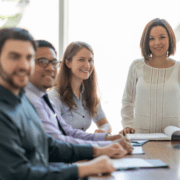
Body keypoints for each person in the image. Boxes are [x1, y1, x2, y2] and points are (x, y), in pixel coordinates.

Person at [0, 27, 128, 180]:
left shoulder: (22, 102)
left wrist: (98, 151)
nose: (24, 65)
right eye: (14, 57)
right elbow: (18, 175)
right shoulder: (5, 110)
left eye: (28, 58)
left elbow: (50, 146)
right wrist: (83, 169)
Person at [25, 40, 133, 153]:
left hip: (73, 153)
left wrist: (108, 138)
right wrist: (101, 148)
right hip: (67, 155)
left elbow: (69, 131)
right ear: (67, 63)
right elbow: (58, 140)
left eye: (53, 63)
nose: (50, 68)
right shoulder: (48, 98)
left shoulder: (45, 100)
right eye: (42, 61)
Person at [120, 18, 179, 135]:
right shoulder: (136, 66)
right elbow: (127, 101)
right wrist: (128, 125)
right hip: (141, 136)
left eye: (162, 37)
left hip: (173, 138)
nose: (157, 42)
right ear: (146, 42)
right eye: (151, 39)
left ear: (170, 39)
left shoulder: (179, 68)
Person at [48, 41, 111, 133]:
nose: (87, 65)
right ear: (68, 63)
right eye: (81, 59)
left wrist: (102, 131)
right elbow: (53, 133)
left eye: (90, 60)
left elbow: (105, 124)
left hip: (83, 144)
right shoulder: (54, 96)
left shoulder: (89, 94)